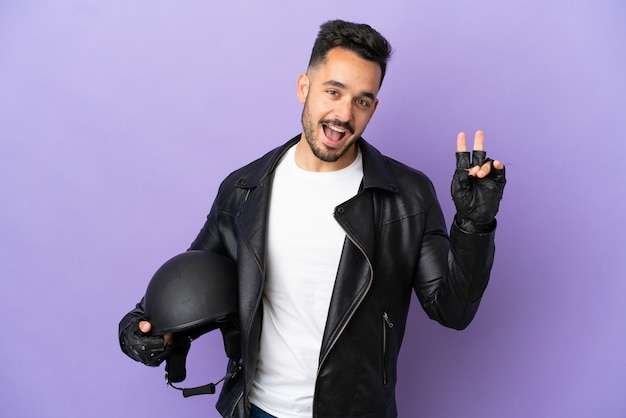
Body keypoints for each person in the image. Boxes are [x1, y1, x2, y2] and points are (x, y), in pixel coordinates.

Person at [119, 19, 506, 418]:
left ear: (373, 108)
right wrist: (142, 324)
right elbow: (194, 280)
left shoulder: (407, 195)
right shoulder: (244, 189)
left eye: (361, 100)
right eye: (333, 92)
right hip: (255, 410)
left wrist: (475, 225)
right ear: (304, 87)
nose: (343, 114)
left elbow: (453, 311)